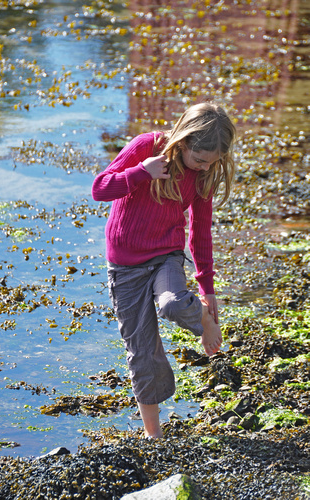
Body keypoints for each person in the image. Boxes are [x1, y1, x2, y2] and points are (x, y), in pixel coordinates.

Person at [91, 102, 236, 438]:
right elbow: (100, 188)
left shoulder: (202, 177)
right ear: (183, 141)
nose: (204, 167)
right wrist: (142, 171)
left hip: (166, 256)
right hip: (124, 267)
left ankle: (199, 316)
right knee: (141, 352)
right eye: (200, 159)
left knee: (172, 303)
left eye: (212, 163)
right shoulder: (147, 146)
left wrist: (207, 288)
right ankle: (153, 434)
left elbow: (200, 231)